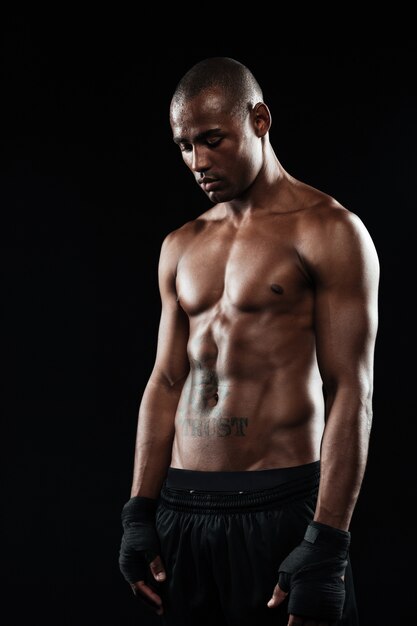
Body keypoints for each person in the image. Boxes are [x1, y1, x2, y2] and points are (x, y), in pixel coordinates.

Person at [118, 56, 380, 626]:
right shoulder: (181, 245)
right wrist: (139, 510)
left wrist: (328, 542)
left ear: (260, 119)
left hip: (282, 509)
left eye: (213, 140)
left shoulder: (329, 231)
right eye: (185, 146)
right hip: (182, 512)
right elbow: (165, 381)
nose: (198, 162)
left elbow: (350, 394)